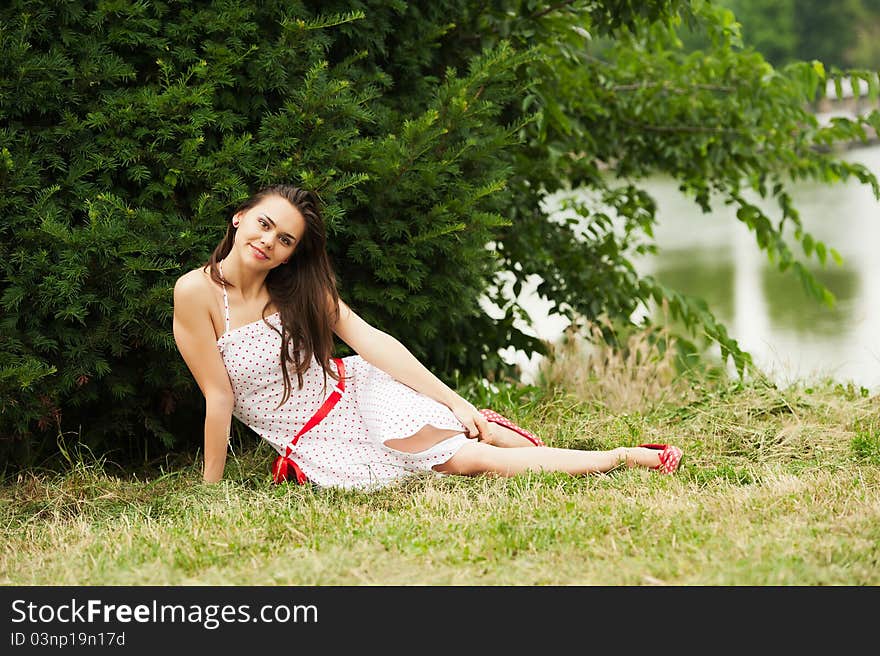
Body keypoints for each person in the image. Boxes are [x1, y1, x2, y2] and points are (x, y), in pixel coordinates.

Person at [172, 184, 683, 489]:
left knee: (472, 451)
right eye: (263, 225)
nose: (268, 241)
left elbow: (370, 340)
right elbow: (219, 395)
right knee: (468, 454)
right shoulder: (195, 294)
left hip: (354, 390)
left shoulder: (296, 290)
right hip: (317, 436)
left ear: (291, 254)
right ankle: (529, 441)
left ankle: (620, 458)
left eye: (285, 239)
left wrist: (454, 398)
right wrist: (211, 490)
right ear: (239, 218)